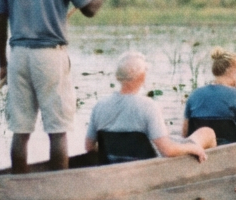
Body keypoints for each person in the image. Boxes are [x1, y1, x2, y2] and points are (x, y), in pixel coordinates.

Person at [0, 0, 120, 172]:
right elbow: (91, 8)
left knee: (20, 130)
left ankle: (19, 185)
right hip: (49, 56)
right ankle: (59, 185)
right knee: (58, 129)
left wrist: (3, 64)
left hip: (18, 55)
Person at [85, 51, 216, 162]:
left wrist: (118, 157)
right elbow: (168, 150)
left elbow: (89, 146)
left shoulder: (100, 105)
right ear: (142, 76)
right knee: (207, 133)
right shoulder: (148, 106)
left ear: (118, 76)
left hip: (118, 165)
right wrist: (193, 148)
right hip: (149, 168)